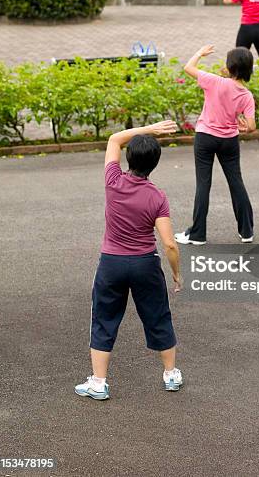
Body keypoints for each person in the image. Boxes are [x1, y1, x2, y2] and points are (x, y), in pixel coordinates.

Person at [75, 120, 183, 401]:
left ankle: (98, 382)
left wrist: (150, 129)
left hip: (111, 263)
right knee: (158, 315)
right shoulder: (158, 196)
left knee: (104, 318)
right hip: (145, 264)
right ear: (155, 163)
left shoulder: (113, 181)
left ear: (128, 157)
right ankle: (170, 374)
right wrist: (176, 273)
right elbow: (169, 243)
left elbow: (113, 139)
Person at [175, 45, 256, 246]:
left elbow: (188, 68)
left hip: (205, 138)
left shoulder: (214, 81)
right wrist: (243, 126)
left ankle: (198, 235)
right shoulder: (246, 95)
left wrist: (199, 53)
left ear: (230, 67)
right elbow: (251, 126)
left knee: (204, 184)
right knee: (236, 182)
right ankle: (246, 232)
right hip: (229, 141)